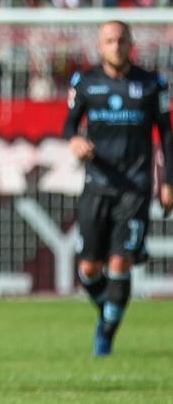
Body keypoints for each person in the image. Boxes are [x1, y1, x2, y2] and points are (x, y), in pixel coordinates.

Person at [64, 21, 173, 356]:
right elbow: (69, 124)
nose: (116, 46)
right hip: (97, 185)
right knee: (88, 269)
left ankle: (106, 337)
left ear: (131, 43)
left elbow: (167, 135)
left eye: (121, 40)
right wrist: (76, 140)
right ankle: (108, 313)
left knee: (120, 262)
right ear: (100, 46)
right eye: (109, 41)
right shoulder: (85, 82)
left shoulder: (152, 83)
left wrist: (168, 181)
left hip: (135, 187)